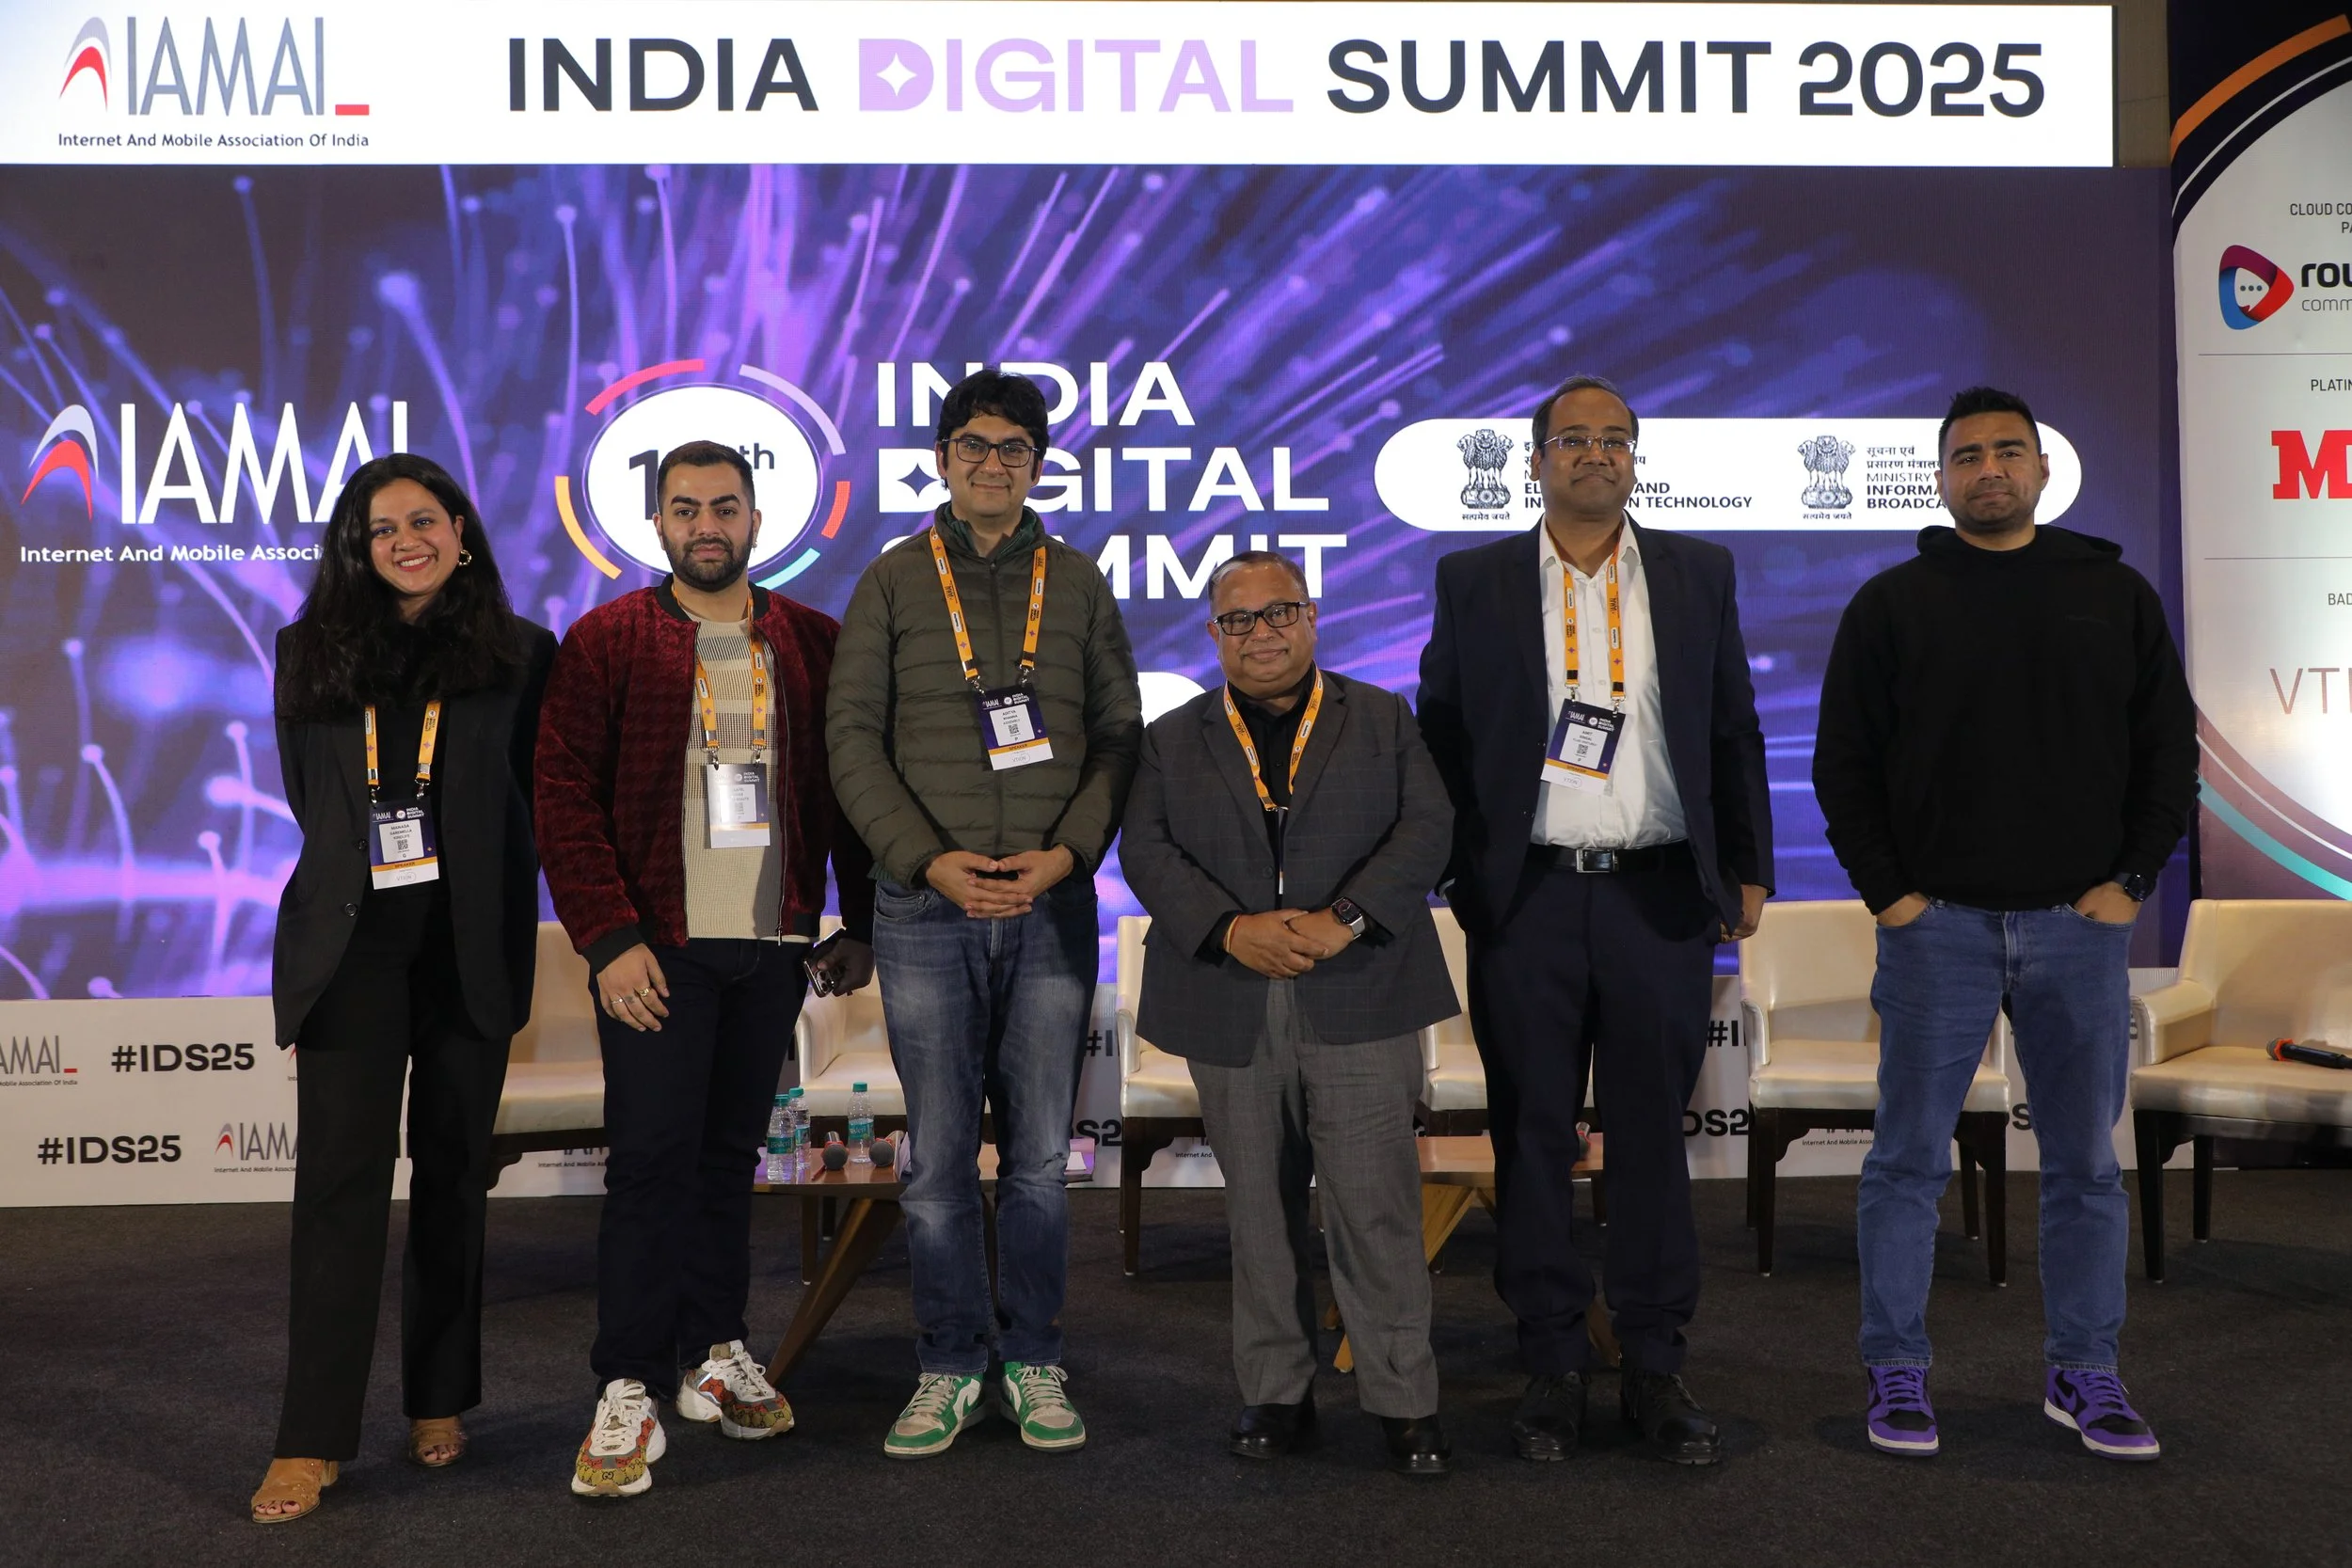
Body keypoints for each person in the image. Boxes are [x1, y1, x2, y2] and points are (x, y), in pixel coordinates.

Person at [1813, 386, 2195, 1463]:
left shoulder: (2114, 594)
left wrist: (2128, 880)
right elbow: (1842, 763)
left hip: (2081, 925)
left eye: (2006, 451)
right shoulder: (1891, 604)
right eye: (1966, 455)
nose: (1988, 468)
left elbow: (2168, 753)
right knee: (1905, 1163)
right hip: (1937, 929)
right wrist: (1892, 896)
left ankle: (2086, 1371)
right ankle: (1895, 1366)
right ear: (1941, 478)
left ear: (2039, 470)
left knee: (2082, 1163)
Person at [1418, 374, 1773, 1465]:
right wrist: (1465, 879)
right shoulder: (1472, 578)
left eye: (1613, 438)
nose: (1595, 454)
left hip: (1658, 893)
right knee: (1530, 1135)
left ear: (1635, 457)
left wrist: (1746, 868)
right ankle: (1552, 1363)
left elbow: (1730, 724)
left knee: (1650, 1142)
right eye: (1571, 438)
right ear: (1534, 460)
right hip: (1525, 897)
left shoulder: (1694, 570)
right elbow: (1440, 735)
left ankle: (1656, 1364)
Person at [535, 439, 874, 1499]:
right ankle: (625, 1383)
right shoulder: (605, 640)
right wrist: (605, 938)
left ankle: (712, 1352)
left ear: (757, 518)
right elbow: (562, 796)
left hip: (770, 946)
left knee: (730, 1160)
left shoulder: (814, 642)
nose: (706, 523)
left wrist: (855, 917)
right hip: (656, 949)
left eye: (724, 504)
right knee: (648, 1163)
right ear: (658, 526)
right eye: (685, 508)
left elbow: (853, 788)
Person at [827, 368, 1142, 1458]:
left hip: (1051, 903)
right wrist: (926, 861)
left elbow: (1117, 737)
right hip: (926, 908)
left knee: (1045, 1160)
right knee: (939, 1157)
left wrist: (1068, 853)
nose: (993, 462)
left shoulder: (1082, 579)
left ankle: (1036, 1354)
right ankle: (949, 1361)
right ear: (943, 458)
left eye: (1014, 446)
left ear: (1038, 461)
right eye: (973, 444)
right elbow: (850, 740)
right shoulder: (892, 580)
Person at [251, 453, 556, 1525]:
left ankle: (438, 1397)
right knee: (337, 1188)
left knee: (452, 1180)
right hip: (352, 950)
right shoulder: (308, 653)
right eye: (381, 529)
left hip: (469, 949)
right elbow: (310, 804)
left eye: (423, 520)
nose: (405, 541)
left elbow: (530, 807)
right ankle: (310, 1437)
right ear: (356, 547)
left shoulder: (522, 655)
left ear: (462, 532)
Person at [1120, 551, 1459, 1476]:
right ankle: (1275, 1392)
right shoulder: (1172, 736)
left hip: (1359, 984)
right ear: (1213, 634)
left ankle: (1403, 1398)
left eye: (1279, 613)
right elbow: (1144, 848)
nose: (1261, 632)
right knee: (1259, 1214)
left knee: (1376, 1207)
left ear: (1310, 619)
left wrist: (1341, 919)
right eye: (1239, 619)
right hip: (1231, 995)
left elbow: (1427, 826)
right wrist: (1229, 929)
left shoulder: (1380, 716)